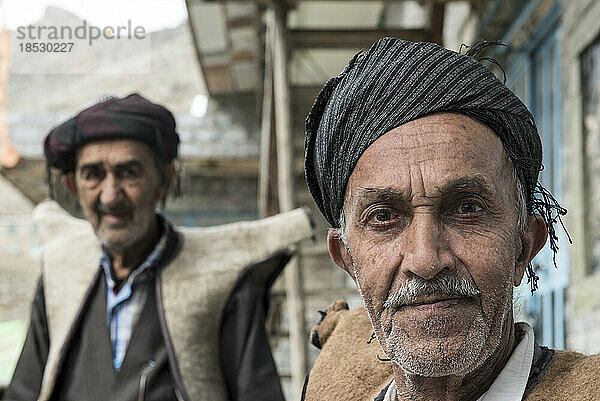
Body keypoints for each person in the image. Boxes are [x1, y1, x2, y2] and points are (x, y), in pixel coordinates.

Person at [301, 38, 600, 401]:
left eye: (467, 209)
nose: (426, 260)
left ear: (524, 247)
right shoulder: (330, 388)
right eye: (383, 217)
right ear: (348, 259)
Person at [6, 93, 313, 401]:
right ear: (74, 186)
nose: (110, 195)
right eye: (93, 175)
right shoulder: (61, 277)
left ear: (164, 180)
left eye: (129, 172)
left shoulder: (222, 282)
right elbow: (23, 393)